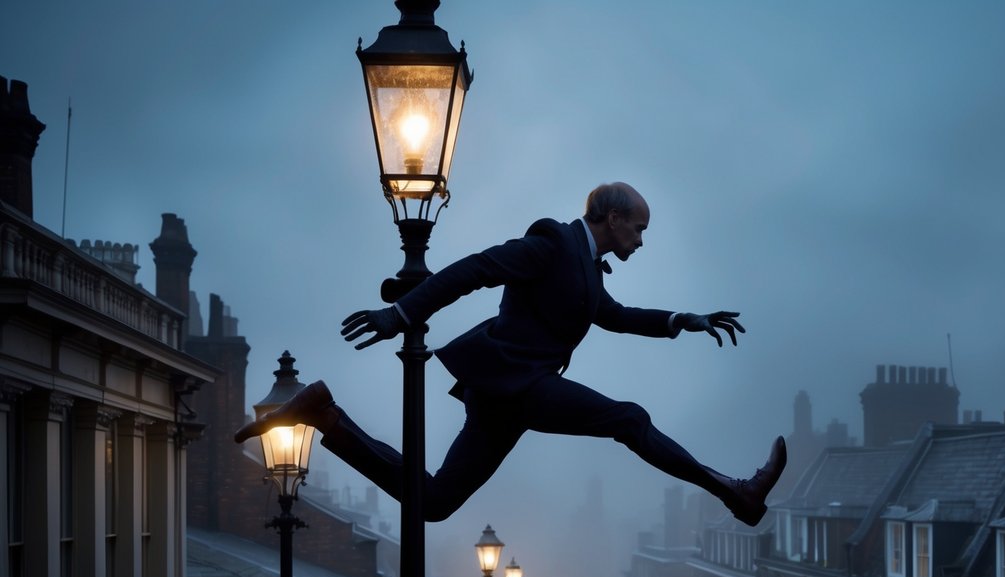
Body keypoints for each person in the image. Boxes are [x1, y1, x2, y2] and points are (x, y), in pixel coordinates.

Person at [236, 182, 786, 525]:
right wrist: (399, 316)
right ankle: (736, 492)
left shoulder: (588, 271)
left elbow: (615, 316)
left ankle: (324, 417)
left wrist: (682, 321)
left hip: (508, 397)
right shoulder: (552, 244)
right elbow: (475, 268)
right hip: (518, 382)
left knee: (433, 503)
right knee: (630, 419)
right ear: (612, 218)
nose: (641, 241)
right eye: (639, 228)